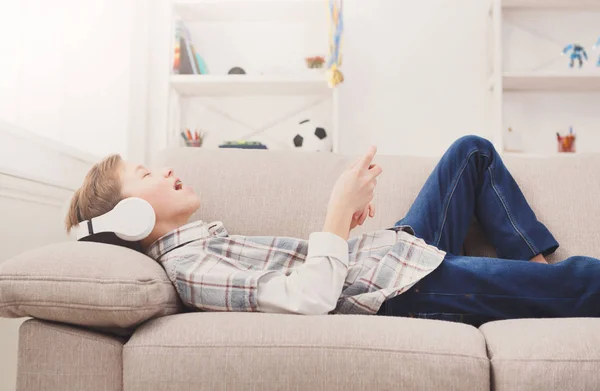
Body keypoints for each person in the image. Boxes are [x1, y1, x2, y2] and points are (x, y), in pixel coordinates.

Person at [65, 136, 600, 326]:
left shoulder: (201, 241)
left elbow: (318, 269)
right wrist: (336, 216)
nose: (162, 170)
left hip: (387, 255)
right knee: (581, 281)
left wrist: (346, 230)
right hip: (398, 289)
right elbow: (311, 299)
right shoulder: (190, 270)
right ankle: (553, 291)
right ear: (130, 219)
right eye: (145, 174)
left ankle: (535, 280)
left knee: (471, 153)